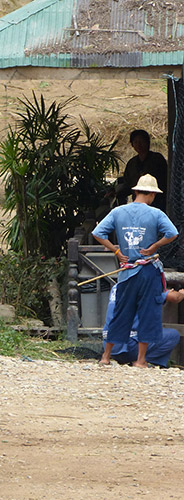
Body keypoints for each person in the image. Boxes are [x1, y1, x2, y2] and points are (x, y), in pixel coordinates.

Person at [92, 174, 178, 367]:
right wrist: (155, 246)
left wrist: (116, 250)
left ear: (136, 191)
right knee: (148, 312)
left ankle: (105, 357)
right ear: (152, 195)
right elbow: (173, 233)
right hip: (148, 270)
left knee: (122, 311)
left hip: (127, 270)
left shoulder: (118, 211)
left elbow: (98, 233)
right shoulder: (156, 214)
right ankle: (140, 360)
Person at [102, 282, 184, 367]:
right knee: (173, 335)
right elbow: (175, 297)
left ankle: (106, 358)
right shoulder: (145, 285)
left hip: (110, 346)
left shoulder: (116, 286)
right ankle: (143, 361)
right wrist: (181, 293)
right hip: (129, 347)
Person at [112, 129, 168, 212]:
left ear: (148, 142)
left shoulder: (157, 159)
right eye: (136, 142)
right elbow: (128, 184)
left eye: (142, 141)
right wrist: (115, 192)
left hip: (157, 203)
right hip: (138, 204)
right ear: (132, 145)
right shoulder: (132, 163)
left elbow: (165, 180)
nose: (139, 145)